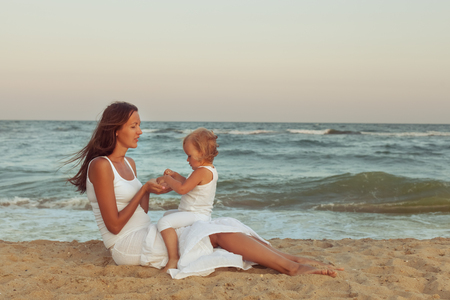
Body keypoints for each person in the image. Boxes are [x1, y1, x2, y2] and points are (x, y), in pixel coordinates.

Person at [66, 101, 342, 279]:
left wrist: (148, 191)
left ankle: (292, 258)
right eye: (134, 125)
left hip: (144, 231)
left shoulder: (129, 162)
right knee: (214, 232)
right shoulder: (100, 166)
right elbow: (114, 226)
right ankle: (291, 267)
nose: (140, 131)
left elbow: (141, 212)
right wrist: (142, 191)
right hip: (126, 245)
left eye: (139, 124)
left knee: (221, 225)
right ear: (116, 129)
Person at [156, 128, 219, 272]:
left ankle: (173, 259)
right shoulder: (206, 170)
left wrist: (167, 179)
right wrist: (175, 175)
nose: (187, 159)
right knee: (167, 215)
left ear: (201, 153)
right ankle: (178, 243)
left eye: (189, 155)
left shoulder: (201, 171)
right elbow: (188, 184)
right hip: (193, 213)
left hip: (196, 215)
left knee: (164, 222)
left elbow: (183, 189)